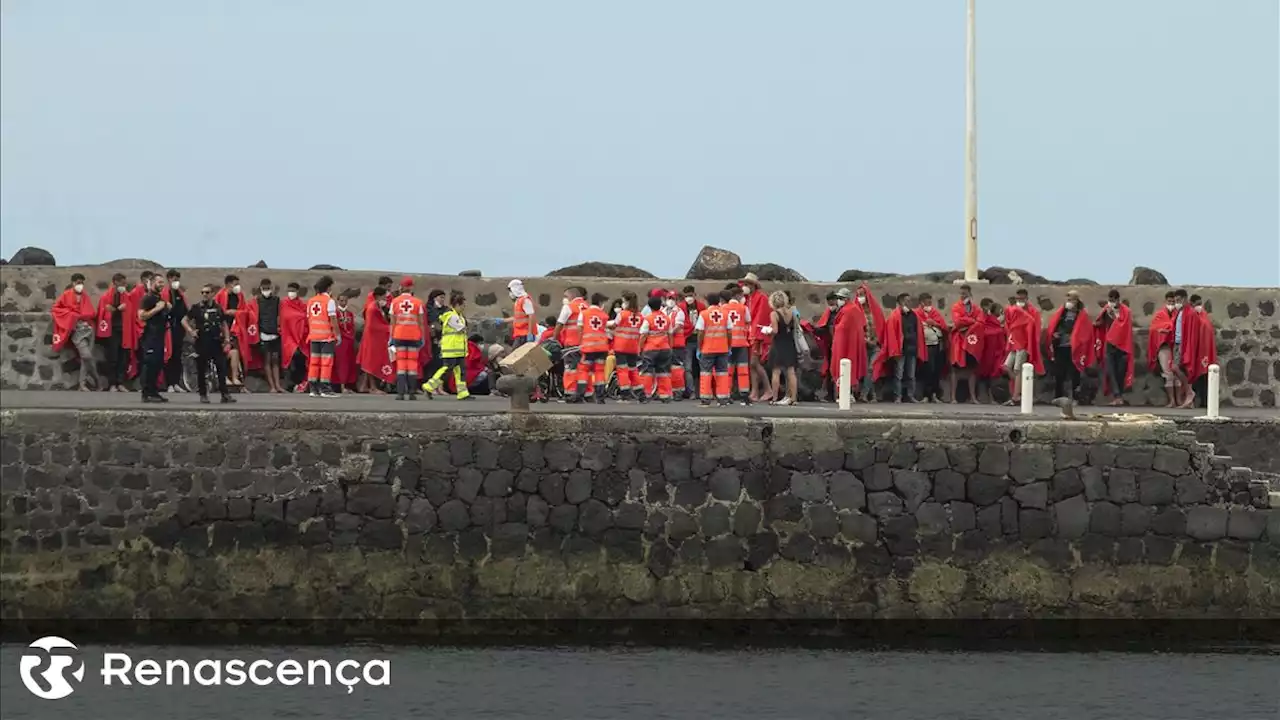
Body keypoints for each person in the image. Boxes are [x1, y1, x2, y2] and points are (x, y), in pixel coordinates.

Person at [181, 284, 235, 404]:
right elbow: (184, 320)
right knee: (201, 369)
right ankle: (203, 394)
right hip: (202, 342)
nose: (204, 295)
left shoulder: (218, 307)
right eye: (203, 292)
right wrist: (191, 331)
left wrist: (227, 338)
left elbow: (224, 323)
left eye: (207, 292)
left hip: (216, 341)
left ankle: (225, 394)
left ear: (212, 294)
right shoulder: (197, 307)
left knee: (221, 367)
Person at [873, 293, 927, 403]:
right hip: (900, 350)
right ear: (901, 302)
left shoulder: (914, 315)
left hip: (912, 349)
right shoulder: (894, 316)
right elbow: (891, 334)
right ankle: (898, 396)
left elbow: (918, 332)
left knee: (911, 375)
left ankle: (910, 395)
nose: (910, 302)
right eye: (907, 300)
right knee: (899, 375)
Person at [50, 273, 100, 391]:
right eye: (78, 283)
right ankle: (96, 379)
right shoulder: (66, 295)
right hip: (77, 331)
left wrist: (81, 316)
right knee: (86, 355)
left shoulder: (85, 296)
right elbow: (56, 309)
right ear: (73, 283)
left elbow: (91, 313)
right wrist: (71, 315)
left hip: (88, 329)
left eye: (82, 283)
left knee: (86, 358)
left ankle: (82, 384)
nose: (80, 285)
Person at [1044, 290, 1094, 402]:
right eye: (1068, 299)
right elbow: (1053, 326)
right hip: (1061, 346)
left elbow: (1086, 332)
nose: (1069, 302)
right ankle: (1058, 397)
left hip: (1074, 348)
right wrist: (1054, 334)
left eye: (1071, 299)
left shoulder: (1082, 315)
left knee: (1075, 373)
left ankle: (1076, 397)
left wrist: (1076, 338)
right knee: (1059, 373)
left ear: (1076, 301)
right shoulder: (1061, 313)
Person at [422, 291, 472, 400]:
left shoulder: (458, 316)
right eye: (463, 305)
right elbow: (462, 328)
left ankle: (462, 393)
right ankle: (429, 386)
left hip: (458, 349)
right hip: (451, 348)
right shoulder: (452, 316)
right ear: (457, 305)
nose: (464, 307)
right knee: (446, 369)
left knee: (460, 371)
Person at [389, 277, 428, 400]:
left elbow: (392, 322)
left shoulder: (395, 302)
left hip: (399, 335)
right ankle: (411, 392)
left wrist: (391, 338)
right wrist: (422, 337)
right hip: (414, 336)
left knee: (401, 364)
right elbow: (421, 322)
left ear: (401, 287)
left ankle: (400, 393)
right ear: (411, 287)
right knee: (412, 365)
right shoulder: (418, 302)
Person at [1002, 289, 1043, 405]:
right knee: (1006, 367)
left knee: (1018, 369)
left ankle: (1015, 397)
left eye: (1022, 298)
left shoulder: (1032, 312)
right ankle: (1022, 388)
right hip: (1014, 343)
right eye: (1018, 298)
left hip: (1024, 344)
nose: (1020, 301)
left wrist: (1031, 344)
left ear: (1026, 298)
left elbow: (1035, 327)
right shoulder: (1013, 310)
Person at [569, 293, 611, 404]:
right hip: (602, 348)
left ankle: (579, 396)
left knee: (583, 370)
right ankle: (600, 397)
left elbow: (579, 329)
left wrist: (579, 343)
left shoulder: (584, 313)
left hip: (588, 347)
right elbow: (606, 331)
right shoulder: (604, 315)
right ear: (600, 303)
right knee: (600, 371)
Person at [95, 272, 134, 391]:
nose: (124, 285)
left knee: (124, 358)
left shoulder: (127, 296)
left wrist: (124, 309)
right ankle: (112, 383)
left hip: (125, 330)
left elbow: (131, 311)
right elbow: (102, 311)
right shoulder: (106, 297)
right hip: (112, 331)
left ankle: (120, 382)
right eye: (122, 283)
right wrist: (113, 310)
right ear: (115, 283)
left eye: (125, 283)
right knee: (113, 357)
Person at [305, 275, 342, 398]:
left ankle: (313, 389)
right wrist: (338, 335)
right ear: (328, 287)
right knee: (326, 363)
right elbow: (333, 319)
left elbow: (309, 318)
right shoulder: (329, 301)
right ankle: (325, 389)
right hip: (326, 337)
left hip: (313, 336)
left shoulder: (311, 301)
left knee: (314, 363)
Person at [695, 291, 734, 407]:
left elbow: (700, 333)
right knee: (722, 373)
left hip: (707, 349)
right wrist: (729, 346)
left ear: (707, 302)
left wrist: (699, 347)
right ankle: (723, 399)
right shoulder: (725, 314)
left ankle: (705, 400)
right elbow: (729, 331)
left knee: (706, 374)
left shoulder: (704, 314)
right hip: (723, 349)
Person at [948, 284, 984, 404]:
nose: (963, 296)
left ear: (969, 293)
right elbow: (958, 321)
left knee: (972, 369)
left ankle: (973, 397)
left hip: (971, 342)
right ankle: (953, 397)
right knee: (955, 369)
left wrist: (968, 325)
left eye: (965, 293)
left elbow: (981, 322)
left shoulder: (976, 308)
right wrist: (972, 321)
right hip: (958, 341)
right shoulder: (956, 307)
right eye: (961, 293)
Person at [137, 275, 170, 402]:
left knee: (158, 363)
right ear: (152, 283)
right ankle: (146, 393)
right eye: (159, 282)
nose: (162, 284)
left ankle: (154, 391)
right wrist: (157, 309)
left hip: (160, 335)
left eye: (163, 282)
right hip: (150, 336)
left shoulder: (159, 297)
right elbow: (142, 316)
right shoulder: (147, 298)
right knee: (149, 363)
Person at [739, 273, 772, 402]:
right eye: (744, 284)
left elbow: (761, 317)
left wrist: (756, 335)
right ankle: (754, 391)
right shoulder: (747, 299)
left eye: (747, 284)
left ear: (754, 285)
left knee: (754, 363)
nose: (745, 286)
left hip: (756, 336)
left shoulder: (762, 298)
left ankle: (768, 389)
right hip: (748, 335)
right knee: (751, 365)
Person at [1148, 290, 1183, 407]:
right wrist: (1164, 330)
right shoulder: (1160, 314)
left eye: (1173, 302)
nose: (1172, 304)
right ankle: (1171, 401)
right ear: (1165, 301)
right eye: (1169, 301)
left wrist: (1169, 328)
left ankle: (1179, 400)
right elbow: (1154, 328)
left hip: (1176, 346)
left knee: (1177, 374)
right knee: (1168, 374)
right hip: (1164, 347)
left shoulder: (1178, 314)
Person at [1181, 294, 1217, 409]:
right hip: (1197, 351)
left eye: (1200, 304)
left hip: (1205, 352)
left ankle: (1204, 401)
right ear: (1191, 304)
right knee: (1198, 377)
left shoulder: (1203, 316)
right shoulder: (1192, 316)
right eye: (1197, 304)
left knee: (1204, 377)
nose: (1199, 306)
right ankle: (1198, 399)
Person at [357, 286, 394, 393]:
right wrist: (389, 328)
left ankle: (364, 386)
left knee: (370, 362)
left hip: (375, 339)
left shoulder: (378, 307)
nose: (385, 299)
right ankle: (372, 387)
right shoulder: (372, 308)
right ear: (378, 296)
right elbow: (373, 325)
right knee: (370, 363)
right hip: (371, 339)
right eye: (384, 297)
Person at [637, 295, 674, 403]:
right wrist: (670, 347)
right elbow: (670, 334)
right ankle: (665, 395)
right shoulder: (667, 318)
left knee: (647, 372)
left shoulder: (648, 319)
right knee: (663, 372)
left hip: (651, 349)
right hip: (665, 349)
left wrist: (640, 348)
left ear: (649, 306)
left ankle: (646, 395)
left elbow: (643, 335)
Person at [555, 286, 589, 399]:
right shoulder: (588, 306)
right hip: (587, 344)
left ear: (572, 295)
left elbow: (560, 323)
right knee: (584, 369)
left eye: (566, 296)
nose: (564, 298)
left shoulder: (568, 307)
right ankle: (587, 393)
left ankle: (570, 392)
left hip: (572, 344)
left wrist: (554, 339)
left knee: (570, 369)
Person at [767, 290, 799, 406]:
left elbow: (775, 331)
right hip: (789, 343)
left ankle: (775, 397)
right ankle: (794, 398)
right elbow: (795, 326)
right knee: (791, 372)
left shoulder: (774, 314)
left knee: (776, 371)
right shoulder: (792, 312)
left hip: (778, 344)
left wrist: (768, 331)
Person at [722, 285, 753, 404]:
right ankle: (744, 396)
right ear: (737, 295)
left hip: (727, 344)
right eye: (741, 295)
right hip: (741, 343)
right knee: (743, 370)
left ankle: (726, 394)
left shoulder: (724, 308)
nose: (743, 297)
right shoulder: (743, 308)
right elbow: (748, 321)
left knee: (728, 370)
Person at [254, 278, 285, 393]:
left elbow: (279, 315)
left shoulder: (276, 300)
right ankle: (272, 386)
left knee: (275, 360)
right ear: (261, 289)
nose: (266, 290)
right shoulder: (257, 300)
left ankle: (278, 385)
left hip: (275, 334)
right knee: (267, 361)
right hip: (263, 334)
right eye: (264, 288)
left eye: (268, 288)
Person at [854, 284, 885, 402]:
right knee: (867, 370)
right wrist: (864, 340)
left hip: (875, 345)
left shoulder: (875, 310)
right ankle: (872, 396)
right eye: (858, 295)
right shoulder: (856, 310)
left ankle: (864, 394)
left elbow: (881, 325)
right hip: (863, 346)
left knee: (871, 368)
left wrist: (877, 340)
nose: (860, 297)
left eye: (862, 294)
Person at [610, 291, 643, 400]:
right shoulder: (640, 316)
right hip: (633, 346)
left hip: (621, 346)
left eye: (623, 301)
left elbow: (614, 325)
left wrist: (605, 325)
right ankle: (640, 392)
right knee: (633, 369)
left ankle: (625, 392)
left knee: (622, 370)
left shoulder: (622, 314)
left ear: (627, 302)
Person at [916, 293, 948, 402]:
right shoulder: (917, 313)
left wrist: (934, 323)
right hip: (925, 345)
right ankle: (926, 394)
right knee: (927, 369)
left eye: (930, 302)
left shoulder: (935, 313)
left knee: (936, 369)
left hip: (937, 345)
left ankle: (935, 394)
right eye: (927, 302)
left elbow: (943, 326)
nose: (929, 304)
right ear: (921, 302)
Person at [162, 269, 190, 393]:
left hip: (179, 329)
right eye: (174, 279)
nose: (176, 282)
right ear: (168, 279)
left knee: (177, 357)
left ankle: (176, 382)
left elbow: (186, 310)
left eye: (178, 279)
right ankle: (169, 384)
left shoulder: (180, 294)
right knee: (169, 356)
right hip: (168, 329)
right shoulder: (165, 293)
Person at [675, 286, 704, 399]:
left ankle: (703, 391)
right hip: (687, 341)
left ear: (695, 295)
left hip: (700, 340)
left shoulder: (701, 306)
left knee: (702, 367)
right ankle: (691, 391)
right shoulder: (680, 308)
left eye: (690, 295)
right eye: (686, 296)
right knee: (688, 368)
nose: (689, 298)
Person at [978, 298, 1007, 402]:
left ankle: (991, 397)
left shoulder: (996, 324)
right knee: (987, 376)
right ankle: (988, 397)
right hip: (989, 354)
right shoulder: (986, 321)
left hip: (995, 354)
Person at [333, 290, 359, 391]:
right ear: (338, 301)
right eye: (341, 300)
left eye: (345, 300)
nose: (343, 302)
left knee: (349, 363)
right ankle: (341, 385)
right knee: (341, 363)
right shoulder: (335, 313)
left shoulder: (350, 314)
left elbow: (352, 326)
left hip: (349, 341)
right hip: (340, 341)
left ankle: (347, 384)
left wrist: (351, 336)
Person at [505, 279, 538, 347]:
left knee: (515, 355)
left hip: (525, 335)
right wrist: (502, 320)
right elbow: (517, 318)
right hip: (520, 334)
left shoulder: (525, 300)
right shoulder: (518, 301)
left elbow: (531, 316)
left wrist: (530, 333)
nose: (510, 293)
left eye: (510, 291)